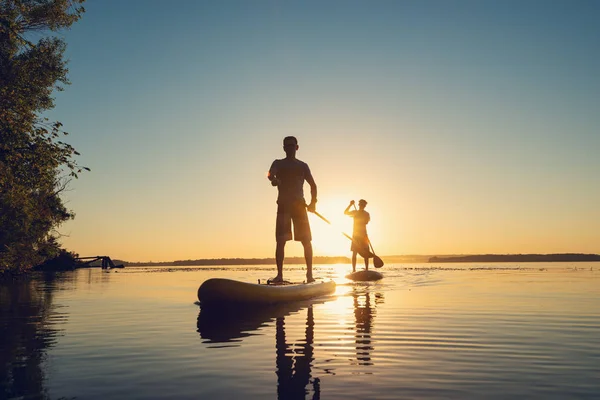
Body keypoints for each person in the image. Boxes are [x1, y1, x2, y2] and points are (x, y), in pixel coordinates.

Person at [268, 136, 317, 283]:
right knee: (280, 241)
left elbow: (313, 185)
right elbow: (270, 174)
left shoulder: (303, 166)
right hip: (283, 206)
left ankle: (309, 275)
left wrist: (313, 203)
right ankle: (280, 275)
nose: (289, 148)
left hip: (299, 207)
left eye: (292, 145)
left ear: (297, 147)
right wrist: (273, 179)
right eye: (286, 146)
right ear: (283, 148)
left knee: (306, 241)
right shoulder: (278, 163)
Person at [344, 199, 370, 272]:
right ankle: (354, 270)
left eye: (363, 205)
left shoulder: (366, 214)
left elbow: (366, 222)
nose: (362, 206)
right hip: (355, 235)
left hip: (364, 235)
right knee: (354, 252)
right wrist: (350, 205)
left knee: (366, 253)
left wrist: (361, 218)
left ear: (365, 206)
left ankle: (367, 269)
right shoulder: (355, 212)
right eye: (361, 204)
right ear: (359, 205)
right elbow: (345, 212)